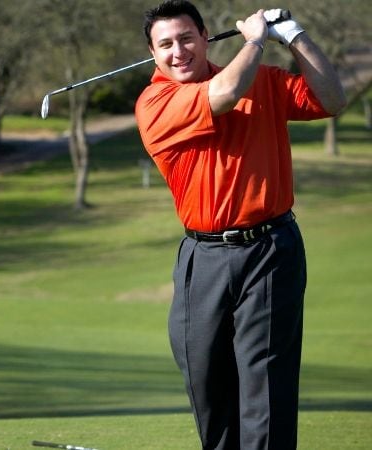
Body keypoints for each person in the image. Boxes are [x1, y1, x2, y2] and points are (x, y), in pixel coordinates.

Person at [135, 2, 346, 448]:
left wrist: (293, 35)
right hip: (202, 258)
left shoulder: (264, 82)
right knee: (205, 380)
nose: (179, 52)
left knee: (265, 386)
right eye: (166, 44)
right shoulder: (156, 102)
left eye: (186, 38)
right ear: (153, 54)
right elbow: (225, 93)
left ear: (205, 36)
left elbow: (332, 98)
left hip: (269, 249)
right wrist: (254, 39)